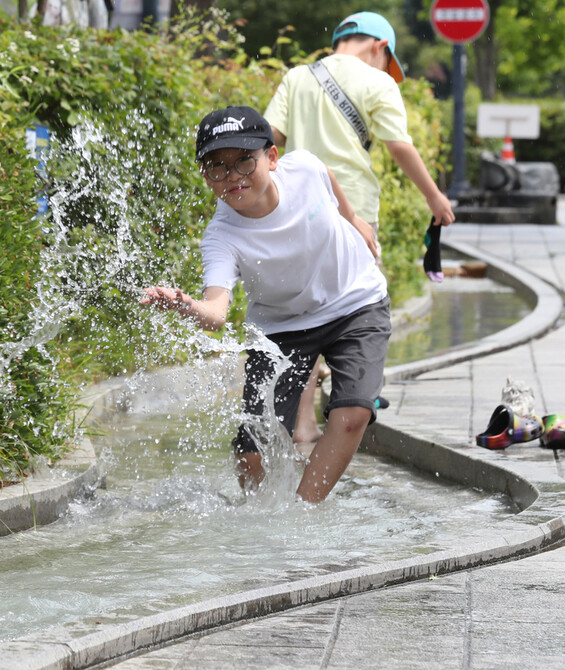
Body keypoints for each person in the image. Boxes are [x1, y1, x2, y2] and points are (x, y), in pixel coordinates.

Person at [141, 106, 390, 504]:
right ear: (206, 177)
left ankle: (302, 513)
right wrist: (186, 305)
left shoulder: (304, 169)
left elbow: (327, 176)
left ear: (271, 158)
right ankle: (258, 515)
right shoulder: (222, 236)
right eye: (217, 168)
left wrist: (354, 217)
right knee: (251, 451)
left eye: (244, 161)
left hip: (355, 301)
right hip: (282, 327)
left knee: (354, 412)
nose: (233, 177)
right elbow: (216, 313)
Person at [264, 10, 455, 443]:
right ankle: (347, 410)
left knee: (305, 314)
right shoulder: (378, 81)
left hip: (297, 212)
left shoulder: (298, 77)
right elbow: (398, 145)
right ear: (379, 46)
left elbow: (270, 138)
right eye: (386, 61)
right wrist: (434, 196)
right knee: (353, 312)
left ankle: (303, 425)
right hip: (354, 216)